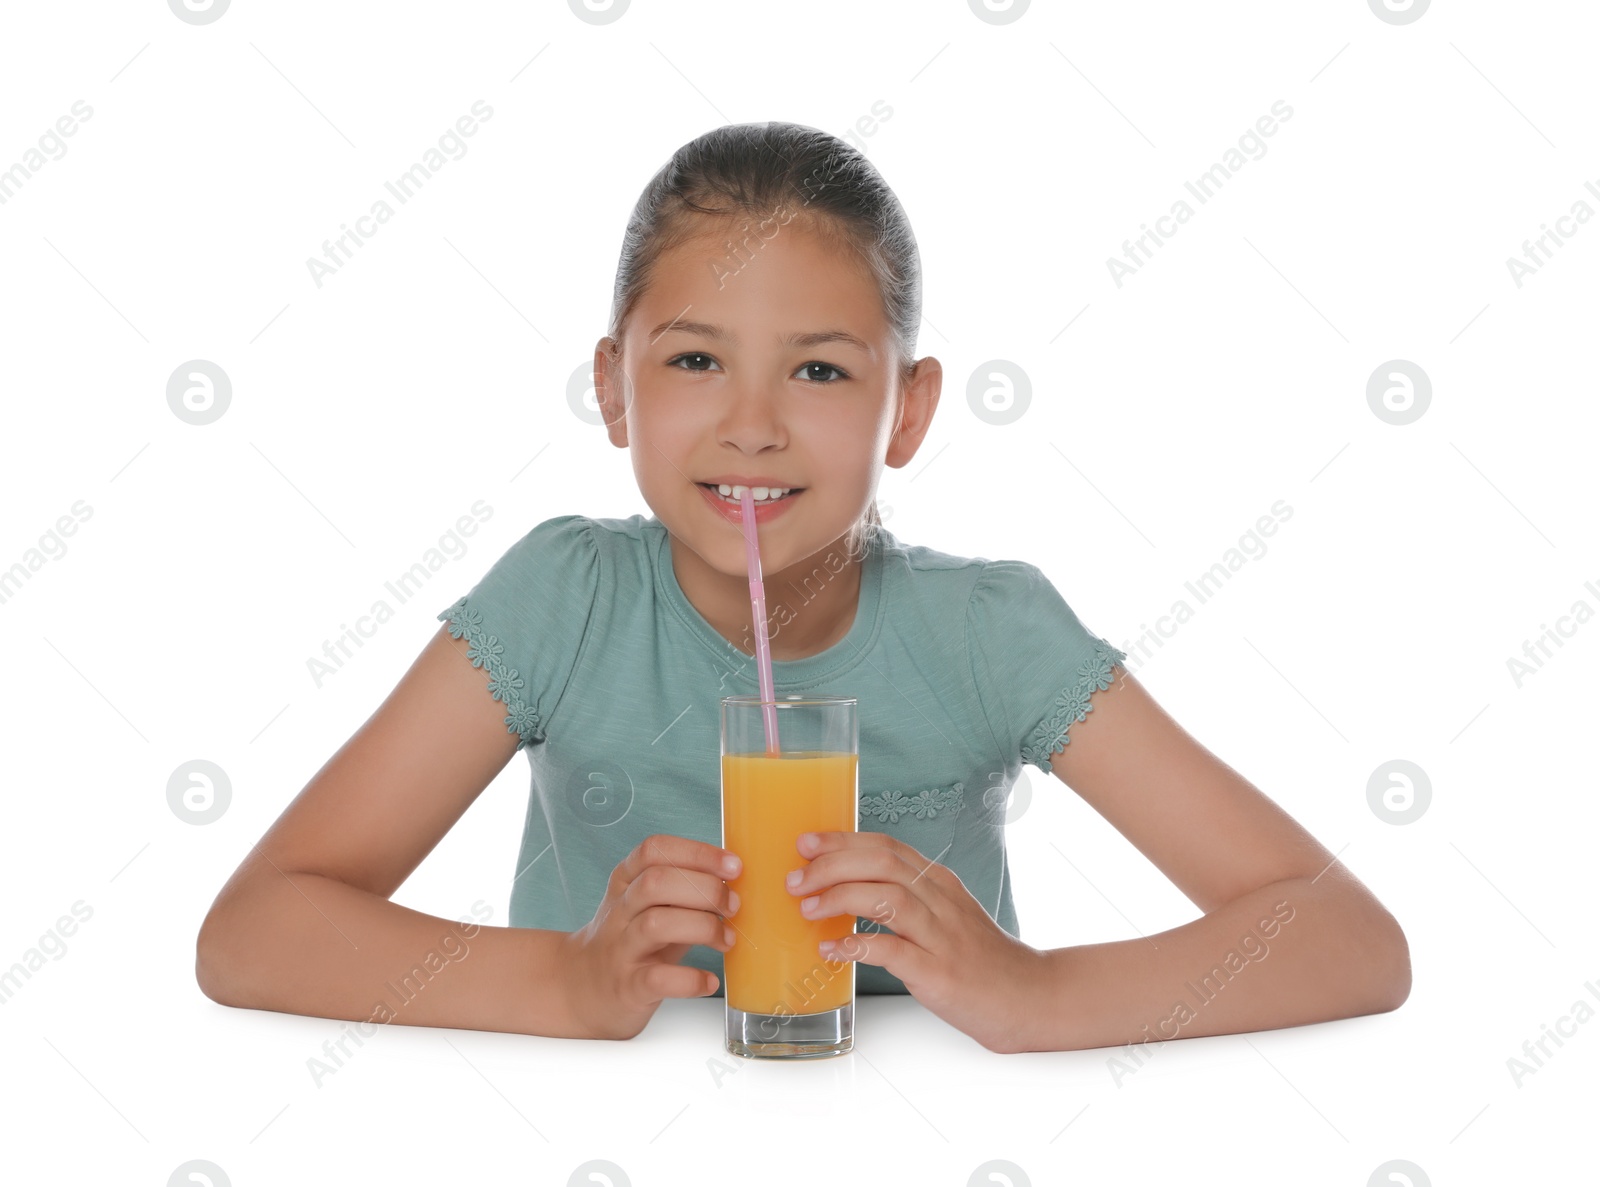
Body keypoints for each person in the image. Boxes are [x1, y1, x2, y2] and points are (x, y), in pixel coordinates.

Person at [195, 121, 1410, 1054]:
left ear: (911, 408)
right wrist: (567, 979)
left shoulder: (987, 633)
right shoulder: (564, 602)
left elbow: (1349, 940)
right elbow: (253, 929)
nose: (753, 425)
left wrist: (1031, 991)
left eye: (821, 369)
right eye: (694, 360)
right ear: (615, 388)